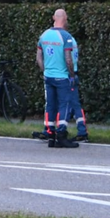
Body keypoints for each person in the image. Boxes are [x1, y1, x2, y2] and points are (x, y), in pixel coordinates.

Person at [36, 8, 79, 148]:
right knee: (64, 105)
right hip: (62, 77)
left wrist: (45, 71)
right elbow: (68, 59)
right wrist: (71, 75)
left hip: (48, 76)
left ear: (54, 17)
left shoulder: (44, 35)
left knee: (50, 105)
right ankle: (61, 135)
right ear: (65, 19)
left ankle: (50, 135)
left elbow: (38, 58)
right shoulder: (66, 36)